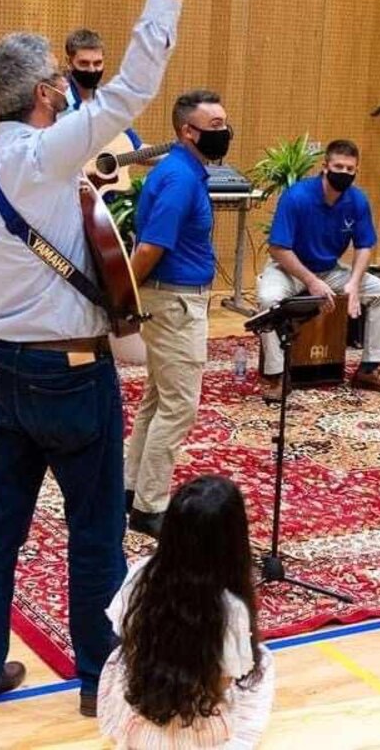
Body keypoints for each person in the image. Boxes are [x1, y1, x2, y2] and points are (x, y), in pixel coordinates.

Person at [0, 0, 205, 718]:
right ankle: (102, 682)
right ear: (44, 95)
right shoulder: (46, 156)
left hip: (7, 369)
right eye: (60, 83)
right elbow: (130, 91)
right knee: (93, 534)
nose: (68, 90)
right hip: (72, 376)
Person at [98, 475, 275, 747]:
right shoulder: (230, 610)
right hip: (193, 731)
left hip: (134, 718)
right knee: (262, 661)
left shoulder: (140, 574)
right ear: (233, 542)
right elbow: (222, 685)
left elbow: (123, 642)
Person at [123, 90, 230, 539]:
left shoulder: (183, 170)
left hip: (173, 299)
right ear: (187, 131)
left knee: (157, 399)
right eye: (215, 125)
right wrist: (121, 296)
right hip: (175, 304)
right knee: (180, 407)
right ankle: (150, 507)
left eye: (225, 122)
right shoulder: (181, 179)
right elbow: (150, 246)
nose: (224, 132)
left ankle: (130, 488)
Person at [257, 139, 380, 401]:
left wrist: (354, 284)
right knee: (269, 300)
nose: (344, 173)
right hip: (289, 268)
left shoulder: (357, 200)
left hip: (330, 269)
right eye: (339, 167)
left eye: (350, 169)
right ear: (325, 167)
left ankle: (369, 370)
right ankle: (278, 375)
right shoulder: (297, 197)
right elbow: (278, 248)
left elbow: (364, 246)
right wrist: (311, 281)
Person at [62, 28, 144, 151]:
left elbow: (136, 148)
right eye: (84, 63)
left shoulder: (109, 102)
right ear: (69, 62)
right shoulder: (55, 100)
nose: (92, 70)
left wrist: (175, 154)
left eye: (97, 63)